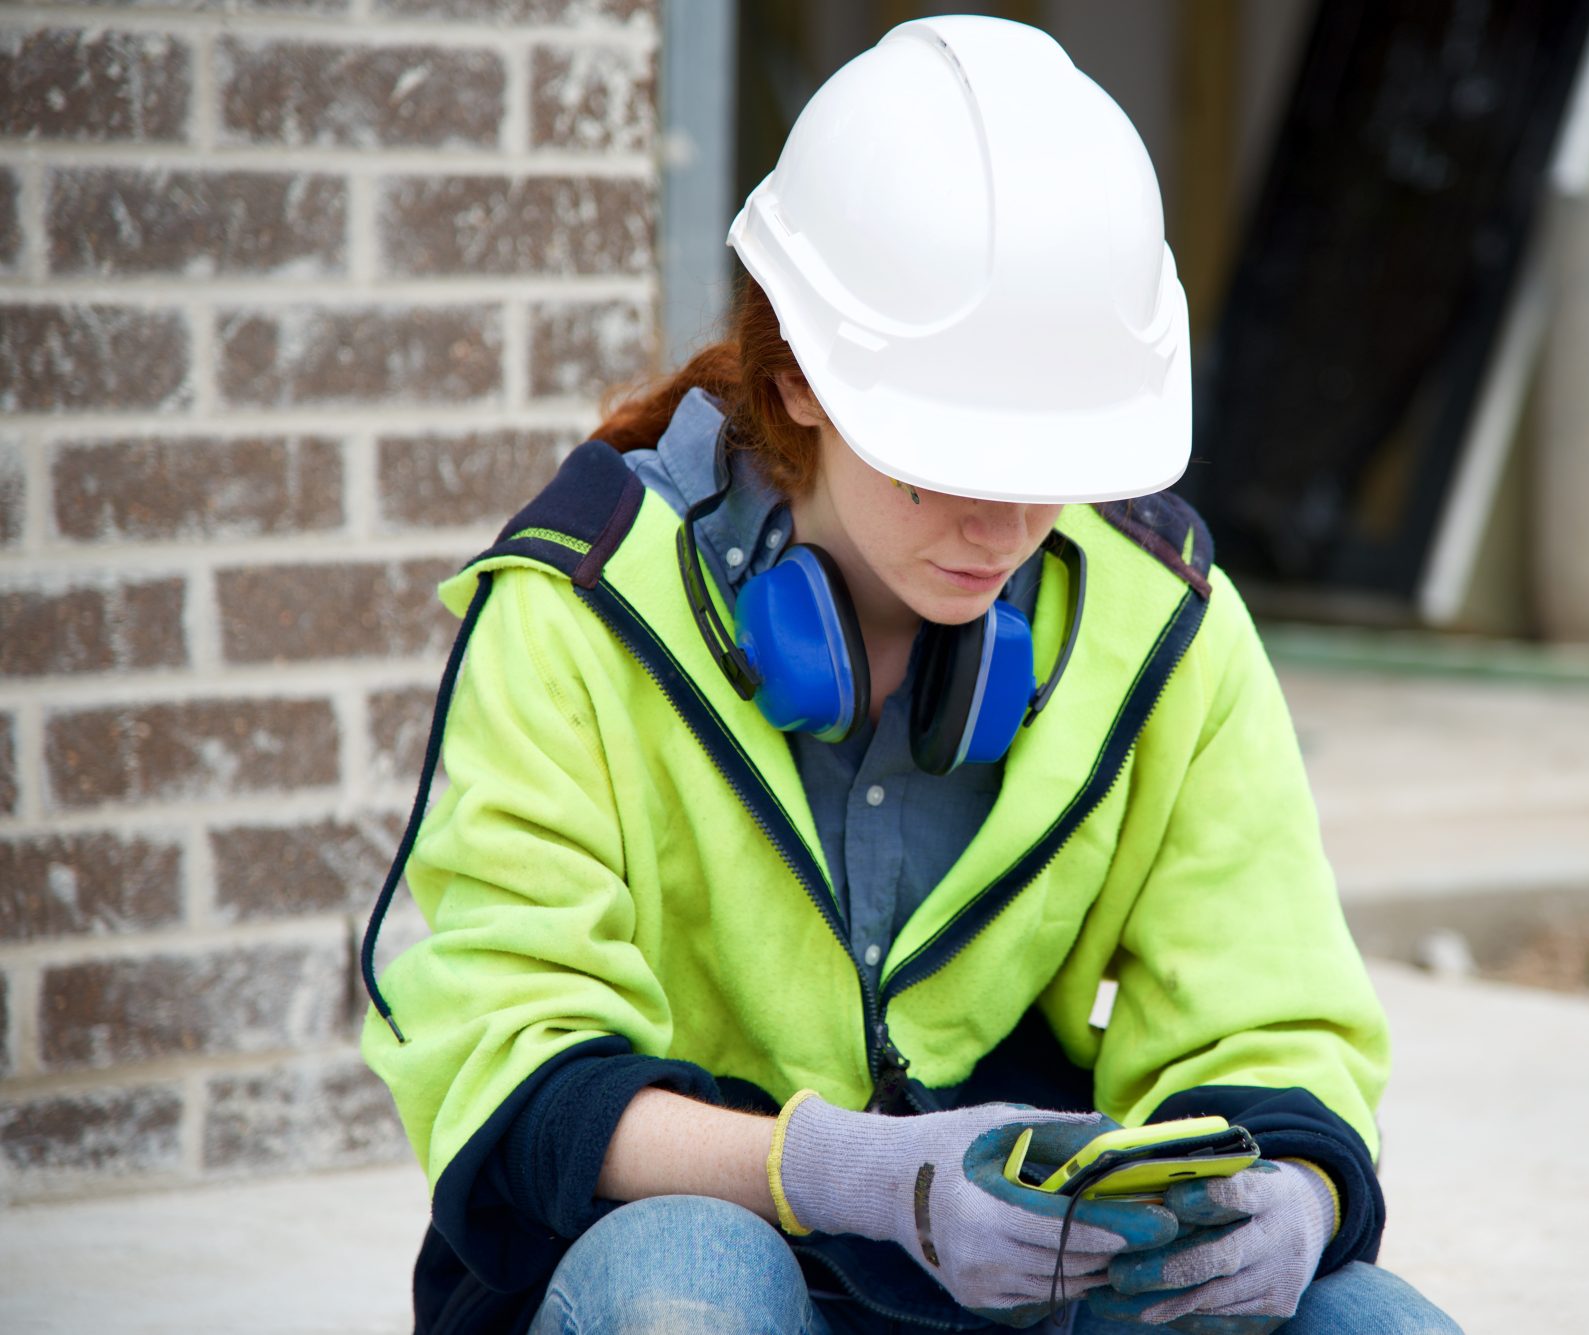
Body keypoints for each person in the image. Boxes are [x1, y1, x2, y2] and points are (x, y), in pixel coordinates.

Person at [361, 16, 1460, 1335]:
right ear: (797, 379)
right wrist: (838, 1174)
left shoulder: (1164, 624)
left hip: (1017, 1283)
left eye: (1045, 458)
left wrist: (1298, 1189)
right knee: (690, 1296)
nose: (1001, 525)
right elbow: (510, 1068)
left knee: (1372, 1325)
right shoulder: (575, 613)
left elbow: (1274, 1018)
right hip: (694, 1252)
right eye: (945, 455)